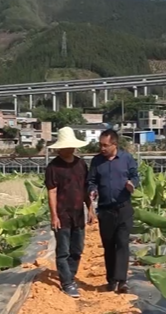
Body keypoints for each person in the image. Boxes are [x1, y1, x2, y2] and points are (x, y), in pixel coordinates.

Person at [45, 127, 95, 298]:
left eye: (71, 146)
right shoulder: (53, 167)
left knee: (77, 249)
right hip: (62, 214)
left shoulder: (81, 164)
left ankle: (70, 277)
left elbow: (85, 189)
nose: (69, 149)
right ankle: (66, 283)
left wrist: (90, 209)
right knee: (63, 251)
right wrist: (54, 216)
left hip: (78, 214)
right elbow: (52, 191)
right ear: (59, 148)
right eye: (66, 146)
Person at [87, 129, 139, 294]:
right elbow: (91, 181)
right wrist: (92, 190)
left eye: (105, 145)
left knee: (122, 243)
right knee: (109, 245)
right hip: (105, 209)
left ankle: (122, 281)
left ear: (114, 144)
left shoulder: (126, 159)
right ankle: (111, 280)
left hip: (123, 207)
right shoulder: (96, 161)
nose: (102, 148)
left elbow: (135, 176)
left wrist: (132, 184)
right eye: (100, 145)